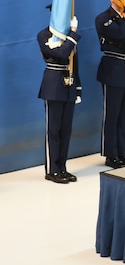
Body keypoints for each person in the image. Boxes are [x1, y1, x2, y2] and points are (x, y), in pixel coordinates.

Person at [96, 0, 125, 168]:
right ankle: (110, 154)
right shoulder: (103, 19)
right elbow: (120, 32)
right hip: (113, 70)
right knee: (112, 115)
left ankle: (122, 153)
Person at [37, 11, 81, 183]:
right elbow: (62, 54)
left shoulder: (69, 36)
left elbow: (74, 62)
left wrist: (78, 88)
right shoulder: (44, 35)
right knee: (53, 130)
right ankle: (52, 169)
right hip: (53, 86)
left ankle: (62, 167)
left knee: (66, 131)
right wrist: (72, 36)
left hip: (69, 85)